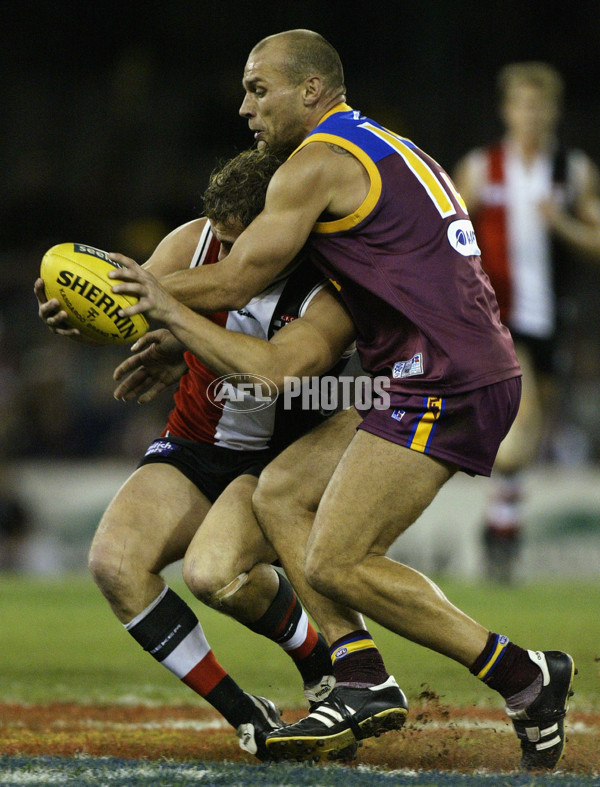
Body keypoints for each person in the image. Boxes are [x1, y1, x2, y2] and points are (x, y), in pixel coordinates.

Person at [111, 30, 575, 771]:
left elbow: (237, 280)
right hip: (431, 369)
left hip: (442, 374)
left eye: (258, 88)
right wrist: (168, 321)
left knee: (335, 561)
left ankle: (524, 673)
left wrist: (134, 293)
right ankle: (360, 675)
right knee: (281, 494)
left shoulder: (315, 162)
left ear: (311, 91)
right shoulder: (380, 144)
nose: (244, 106)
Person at [35, 147, 375, 761]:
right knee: (115, 564)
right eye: (219, 236)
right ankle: (249, 714)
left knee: (213, 575)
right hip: (196, 441)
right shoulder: (191, 244)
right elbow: (126, 313)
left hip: (283, 458)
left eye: (239, 242)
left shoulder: (334, 285)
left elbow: (273, 374)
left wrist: (173, 322)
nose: (225, 254)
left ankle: (322, 660)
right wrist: (80, 318)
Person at [453, 62, 600, 582]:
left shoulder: (572, 171)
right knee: (523, 418)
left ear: (553, 111)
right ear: (507, 110)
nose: (530, 115)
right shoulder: (482, 167)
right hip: (498, 317)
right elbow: (445, 232)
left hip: (553, 318)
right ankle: (500, 530)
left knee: (532, 435)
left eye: (540, 106)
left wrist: (558, 222)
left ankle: (500, 523)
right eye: (521, 105)